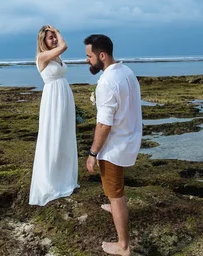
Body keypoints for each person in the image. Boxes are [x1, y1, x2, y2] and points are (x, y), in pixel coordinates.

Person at [84, 34, 142, 256]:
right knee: (114, 188)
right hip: (129, 136)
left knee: (116, 194)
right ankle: (113, 206)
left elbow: (104, 124)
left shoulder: (107, 82)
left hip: (115, 145)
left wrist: (92, 153)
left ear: (101, 55)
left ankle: (123, 246)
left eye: (89, 56)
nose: (87, 60)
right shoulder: (126, 71)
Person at [29, 25, 80, 206]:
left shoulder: (56, 56)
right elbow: (64, 46)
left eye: (54, 37)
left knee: (65, 136)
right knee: (53, 136)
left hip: (64, 96)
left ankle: (65, 178)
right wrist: (58, 31)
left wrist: (56, 36)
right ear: (43, 41)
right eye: (50, 38)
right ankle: (51, 181)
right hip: (52, 99)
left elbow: (61, 49)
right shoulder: (42, 56)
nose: (54, 40)